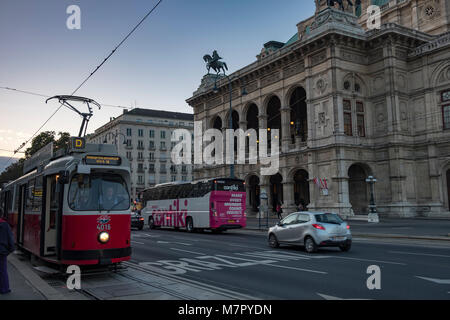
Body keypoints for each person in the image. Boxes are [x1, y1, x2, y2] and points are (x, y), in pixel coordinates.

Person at [0, 209, 15, 294]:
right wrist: (10, 250)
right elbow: (10, 239)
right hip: (2, 251)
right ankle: (4, 289)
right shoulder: (5, 225)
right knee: (3, 270)